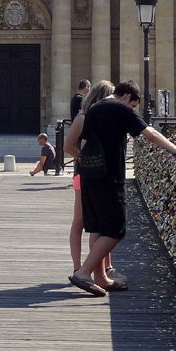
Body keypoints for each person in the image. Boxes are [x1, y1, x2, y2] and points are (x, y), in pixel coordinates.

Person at [68, 79, 176, 296]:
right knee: (116, 229)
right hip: (110, 177)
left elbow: (83, 144)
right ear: (127, 97)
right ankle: (84, 272)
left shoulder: (95, 108)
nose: (133, 109)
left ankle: (101, 278)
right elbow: (151, 133)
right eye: (134, 105)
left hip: (90, 174)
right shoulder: (120, 108)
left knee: (99, 227)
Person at [64, 80, 116, 279]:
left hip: (90, 173)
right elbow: (68, 147)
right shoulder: (85, 117)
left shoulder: (97, 117)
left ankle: (102, 266)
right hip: (83, 174)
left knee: (99, 221)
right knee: (81, 220)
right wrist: (83, 158)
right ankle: (80, 268)